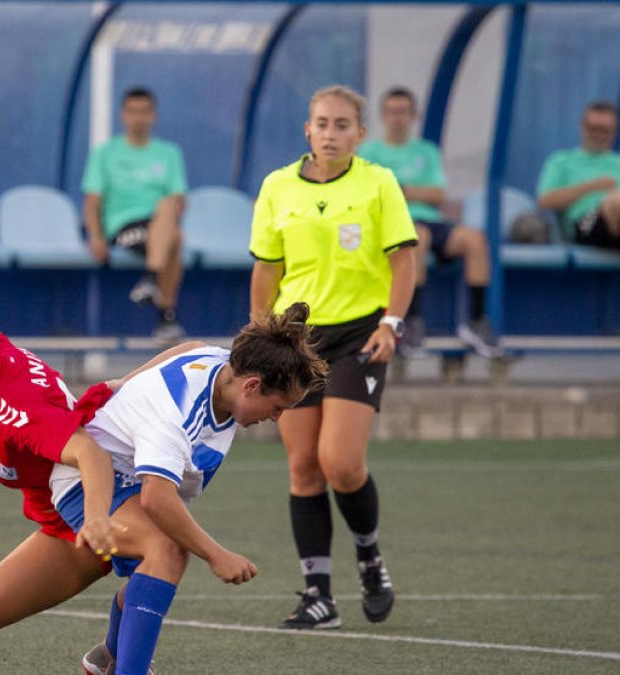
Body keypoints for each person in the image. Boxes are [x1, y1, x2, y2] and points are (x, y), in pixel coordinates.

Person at [0, 256, 311, 675]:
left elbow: (88, 453)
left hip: (85, 495)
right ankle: (109, 655)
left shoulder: (14, 415)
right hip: (65, 515)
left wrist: (100, 518)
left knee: (165, 547)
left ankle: (121, 661)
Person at [63, 303, 328, 675]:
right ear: (252, 385)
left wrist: (125, 382)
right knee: (169, 550)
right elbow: (157, 499)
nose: (276, 417)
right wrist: (217, 555)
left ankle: (108, 655)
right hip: (90, 482)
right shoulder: (176, 415)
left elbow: (189, 347)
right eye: (278, 406)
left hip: (127, 481)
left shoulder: (223, 365)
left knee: (156, 566)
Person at [249, 85, 417, 630]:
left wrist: (391, 323)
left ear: (360, 134)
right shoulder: (277, 186)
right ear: (307, 129)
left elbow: (405, 261)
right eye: (321, 123)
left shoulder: (378, 183)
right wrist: (260, 332)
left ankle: (369, 557)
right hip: (298, 339)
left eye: (343, 124)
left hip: (360, 336)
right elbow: (267, 269)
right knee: (303, 467)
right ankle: (318, 596)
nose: (330, 133)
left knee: (341, 463)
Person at [359, 87, 503, 359]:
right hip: (394, 224)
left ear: (414, 116)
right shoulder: (369, 152)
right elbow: (367, 195)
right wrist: (411, 191)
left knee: (474, 239)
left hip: (431, 219)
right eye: (392, 112)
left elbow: (438, 194)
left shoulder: (427, 151)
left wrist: (399, 188)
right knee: (417, 237)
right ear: (383, 116)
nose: (398, 118)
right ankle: (411, 321)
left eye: (404, 112)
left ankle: (475, 321)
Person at [82, 87, 188, 343]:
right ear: (123, 115)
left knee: (168, 210)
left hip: (158, 225)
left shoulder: (169, 153)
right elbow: (92, 201)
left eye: (144, 111)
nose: (138, 117)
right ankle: (165, 316)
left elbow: (179, 199)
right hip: (123, 228)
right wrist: (95, 237)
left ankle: (150, 281)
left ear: (153, 115)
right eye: (133, 111)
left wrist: (167, 215)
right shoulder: (105, 153)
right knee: (175, 238)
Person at [537, 100, 620, 250]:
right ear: (582, 128)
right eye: (594, 129)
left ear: (614, 132)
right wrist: (591, 187)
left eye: (605, 130)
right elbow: (546, 200)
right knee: (615, 201)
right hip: (585, 224)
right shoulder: (562, 161)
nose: (599, 135)